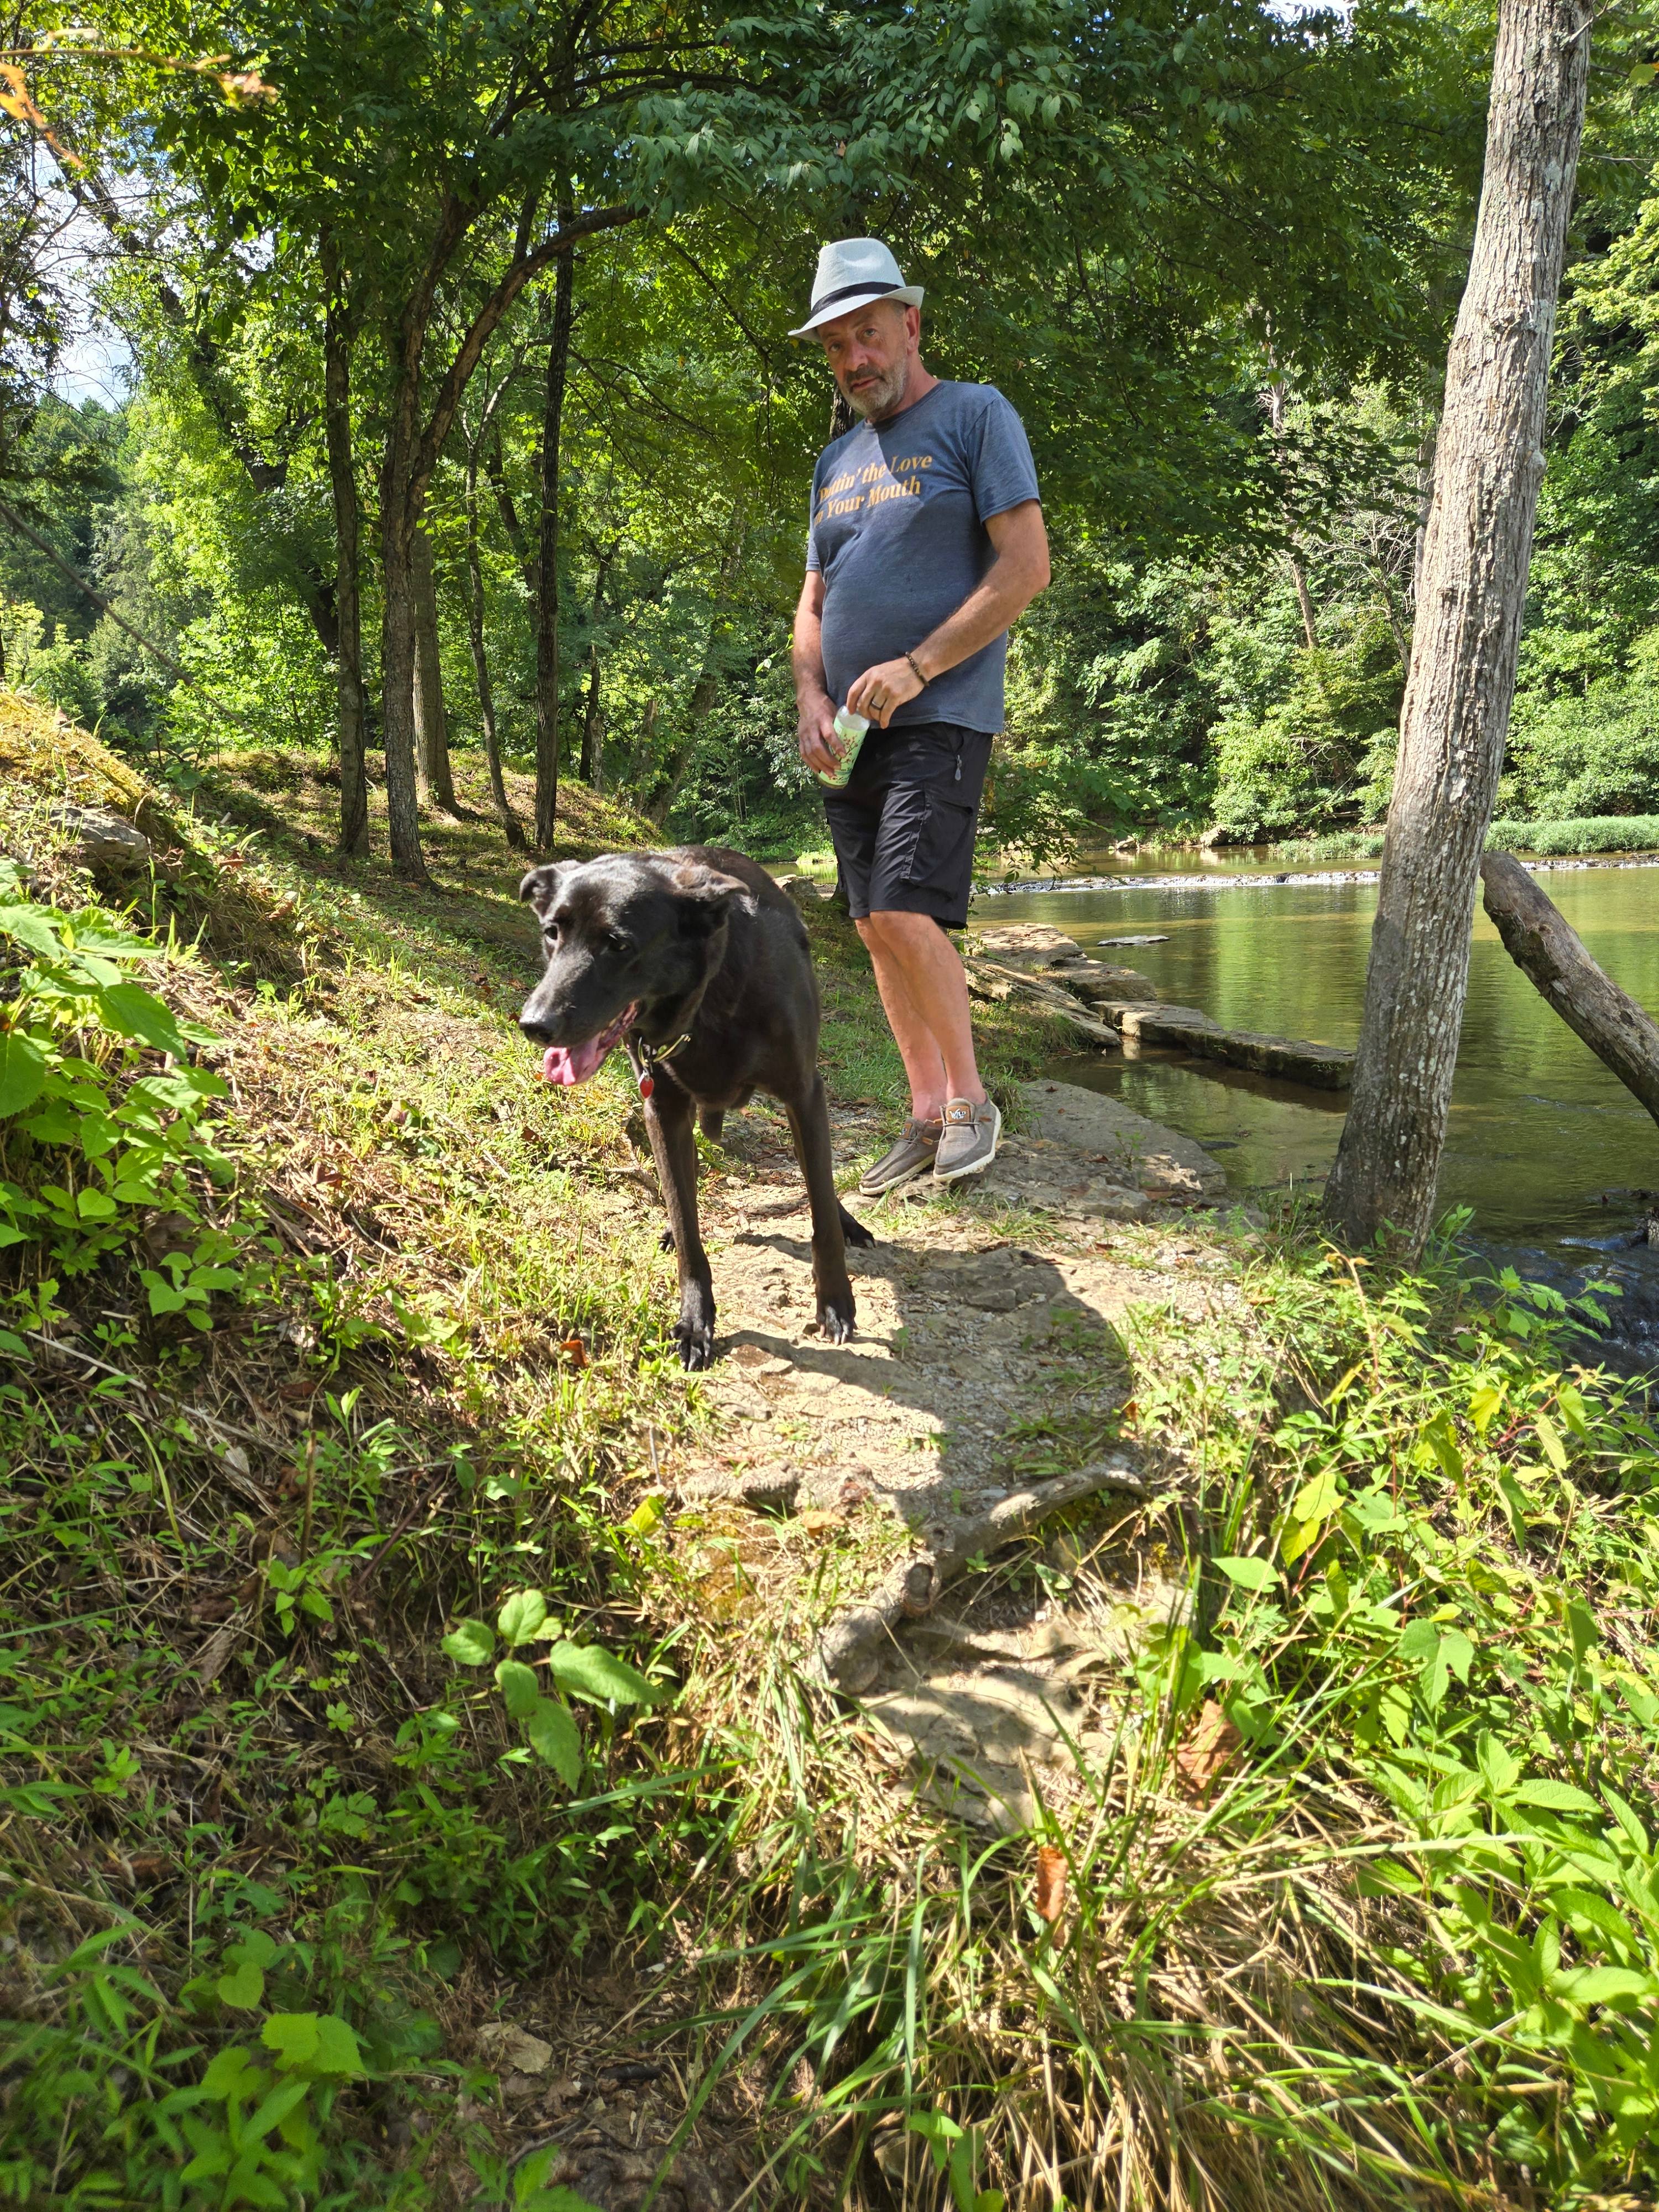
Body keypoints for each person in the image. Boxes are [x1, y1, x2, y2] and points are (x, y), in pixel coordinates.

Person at [790, 237, 1050, 1190]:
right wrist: (813, 699)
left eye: (868, 333)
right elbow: (812, 605)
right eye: (835, 345)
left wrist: (918, 665)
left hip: (942, 715)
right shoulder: (833, 461)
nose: (854, 357)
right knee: (871, 923)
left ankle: (975, 1104)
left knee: (904, 907)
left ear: (910, 323)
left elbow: (1026, 569)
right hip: (850, 736)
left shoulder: (976, 416)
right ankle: (927, 1114)